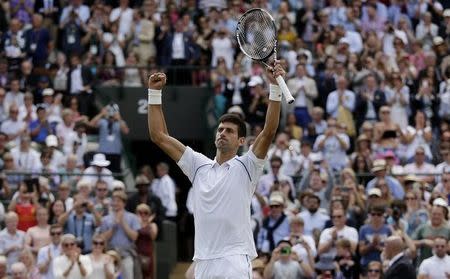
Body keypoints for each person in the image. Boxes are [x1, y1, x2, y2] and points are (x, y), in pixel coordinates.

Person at [147, 60, 283, 278]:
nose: (222, 133)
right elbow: (159, 136)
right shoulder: (198, 165)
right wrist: (154, 94)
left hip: (235, 259)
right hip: (204, 261)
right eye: (220, 129)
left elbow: (269, 131)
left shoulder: (247, 166)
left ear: (241, 141)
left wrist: (274, 86)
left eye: (229, 131)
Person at [99, 191, 141, 279]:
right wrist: (114, 226)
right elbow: (103, 238)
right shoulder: (106, 219)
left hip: (126, 256)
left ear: (124, 203)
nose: (115, 203)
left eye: (118, 201)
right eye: (113, 201)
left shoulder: (132, 217)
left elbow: (135, 237)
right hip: (110, 257)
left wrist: (122, 222)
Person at [136, 203, 158, 279]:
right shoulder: (134, 224)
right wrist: (139, 223)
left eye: (145, 213)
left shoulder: (152, 225)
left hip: (148, 254)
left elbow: (153, 237)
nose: (143, 215)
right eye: (140, 212)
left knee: (148, 276)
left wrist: (147, 223)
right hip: (137, 254)